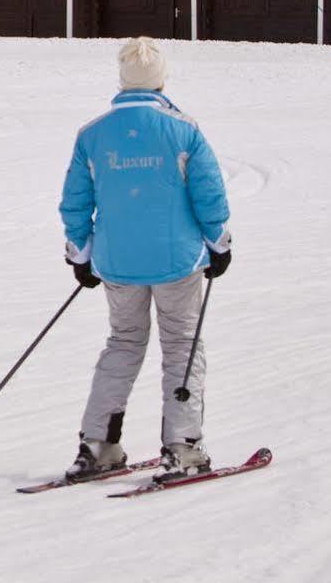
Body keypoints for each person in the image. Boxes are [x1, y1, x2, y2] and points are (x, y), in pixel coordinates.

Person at [59, 36, 232, 483]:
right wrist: (220, 244)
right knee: (182, 346)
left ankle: (97, 444)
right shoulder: (183, 129)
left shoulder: (93, 134)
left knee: (123, 343)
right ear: (161, 78)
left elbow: (75, 203)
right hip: (178, 261)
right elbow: (209, 196)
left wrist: (80, 253)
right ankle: (183, 446)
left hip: (118, 262)